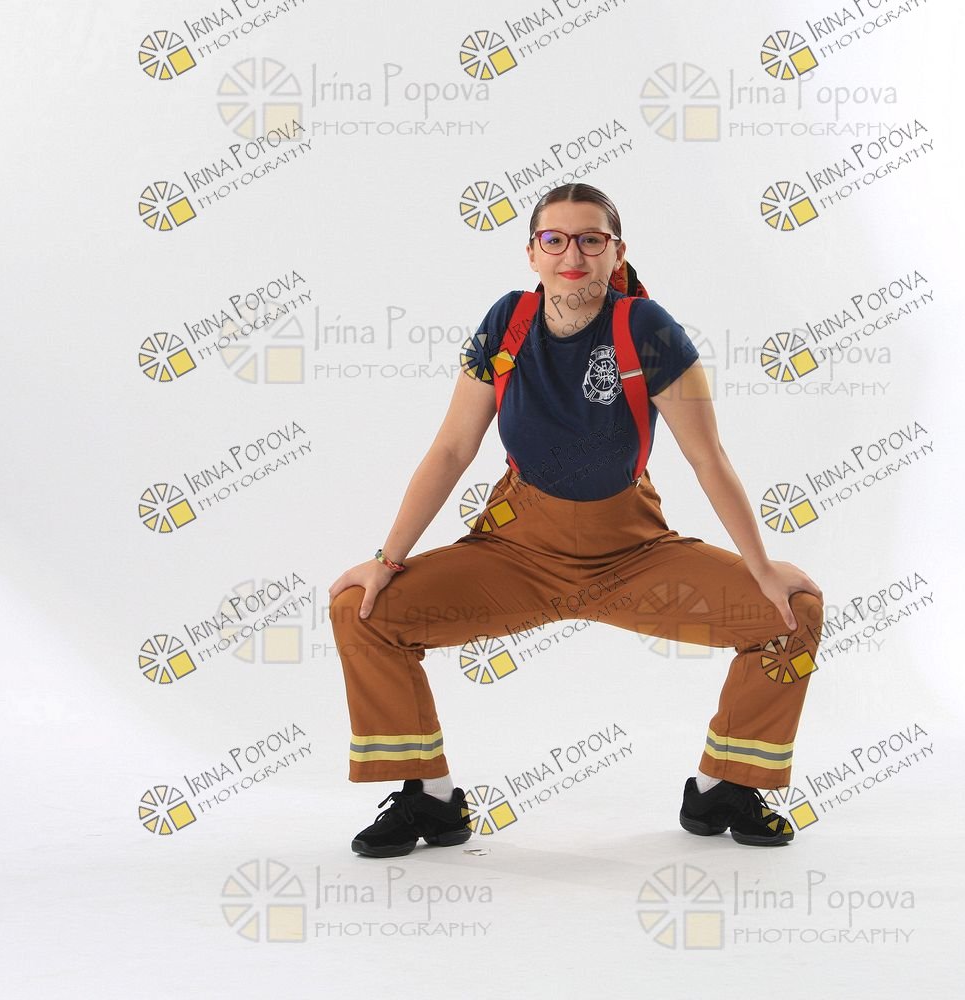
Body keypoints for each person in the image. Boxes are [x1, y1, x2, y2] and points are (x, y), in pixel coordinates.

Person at [327, 183, 824, 858]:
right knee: (361, 609)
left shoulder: (647, 329)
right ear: (531, 252)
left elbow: (707, 458)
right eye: (554, 239)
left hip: (633, 556)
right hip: (515, 553)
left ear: (617, 251)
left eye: (591, 239)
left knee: (792, 614)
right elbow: (451, 450)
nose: (572, 255)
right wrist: (386, 560)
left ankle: (724, 788)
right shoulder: (506, 324)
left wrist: (761, 568)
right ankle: (431, 801)